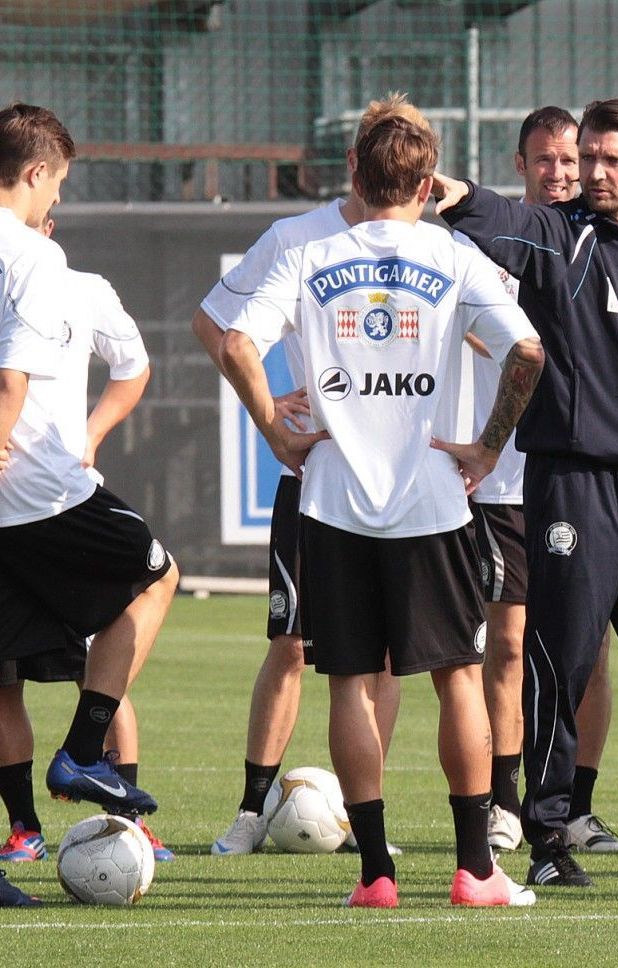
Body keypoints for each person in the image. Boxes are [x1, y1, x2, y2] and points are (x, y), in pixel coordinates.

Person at [221, 113, 543, 907]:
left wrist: (273, 428)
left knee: (349, 686)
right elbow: (528, 353)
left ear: (355, 173)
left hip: (331, 501)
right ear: (430, 187)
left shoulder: (308, 252)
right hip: (432, 504)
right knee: (458, 680)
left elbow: (233, 342)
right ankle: (476, 872)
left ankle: (374, 875)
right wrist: (488, 447)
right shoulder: (454, 252)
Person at [433, 97, 618, 888]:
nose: (590, 171)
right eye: (583, 156)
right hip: (574, 482)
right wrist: (442, 186)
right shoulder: (555, 235)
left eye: (608, 159)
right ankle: (551, 836)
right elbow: (489, 212)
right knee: (560, 656)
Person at [193, 95, 417, 857]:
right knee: (292, 644)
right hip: (318, 476)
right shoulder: (297, 237)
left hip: (401, 486)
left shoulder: (430, 243)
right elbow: (215, 327)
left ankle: (362, 818)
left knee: (384, 655)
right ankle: (254, 807)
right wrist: (269, 416)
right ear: (356, 162)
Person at [0, 104, 178, 913]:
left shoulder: (64, 273)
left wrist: (96, 430)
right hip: (38, 495)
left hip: (30, 498)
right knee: (156, 573)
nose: (56, 201)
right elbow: (11, 384)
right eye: (57, 183)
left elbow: (128, 368)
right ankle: (80, 752)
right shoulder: (34, 258)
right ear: (36, 173)